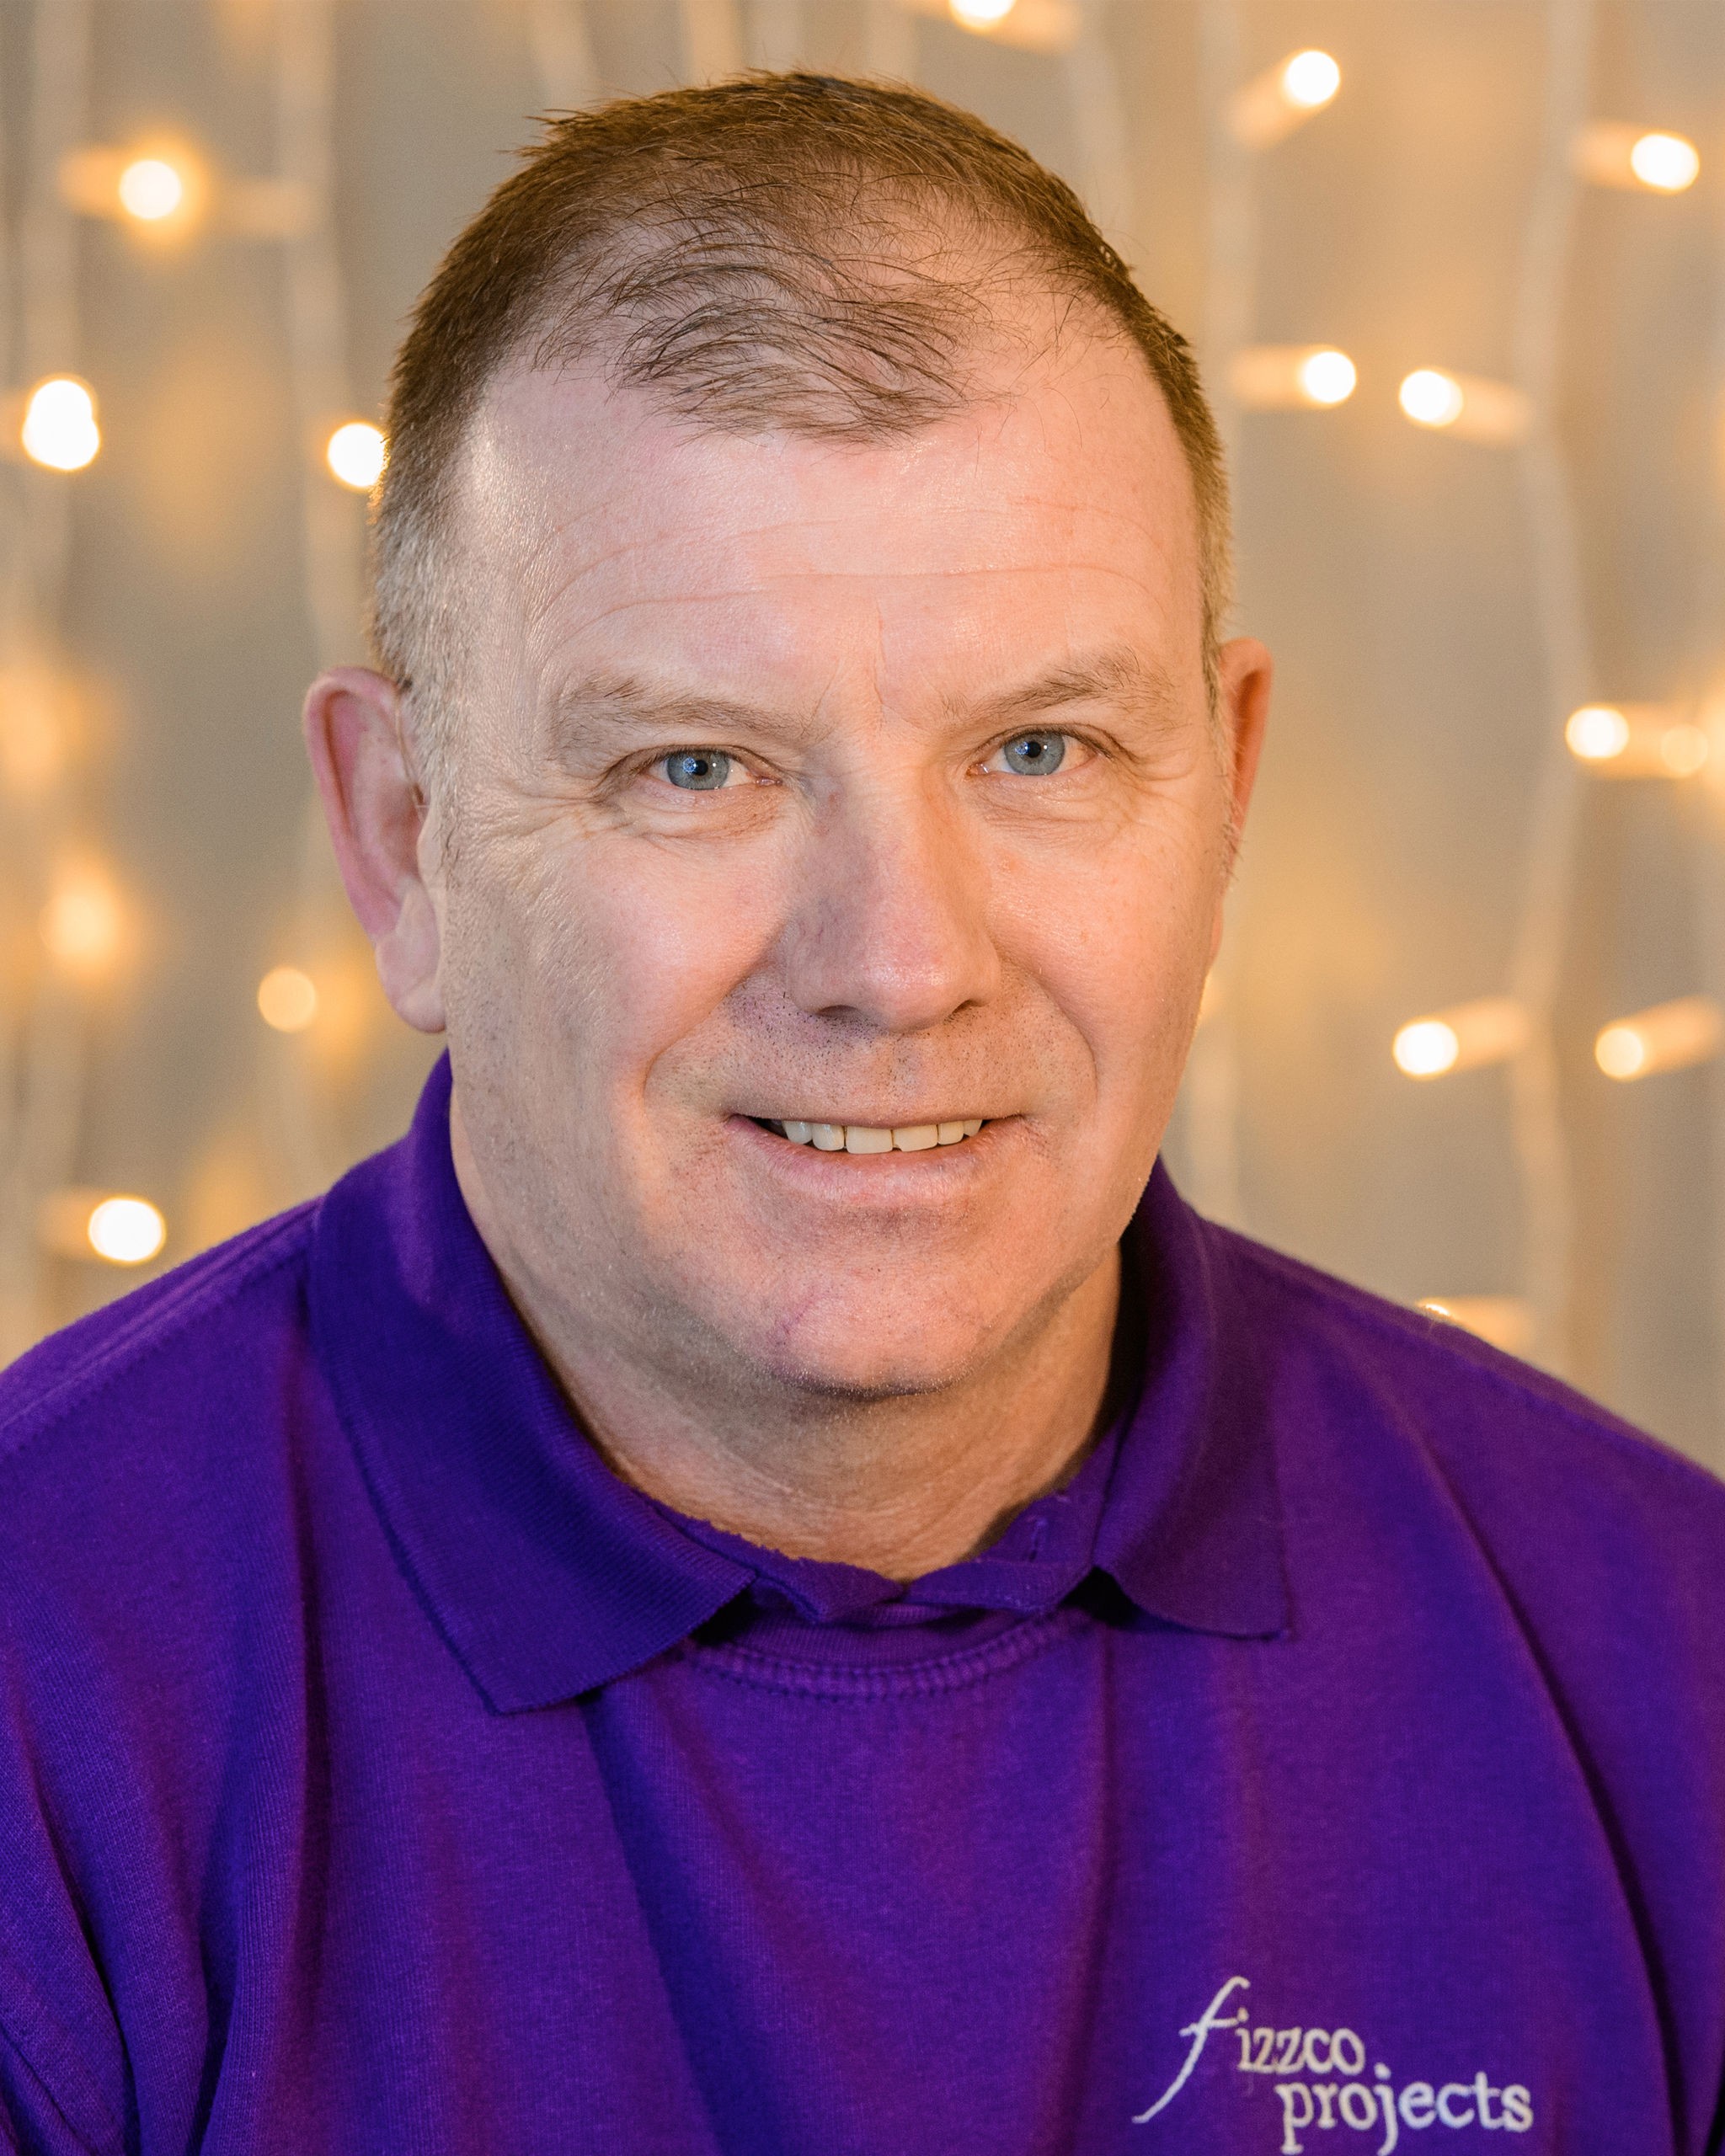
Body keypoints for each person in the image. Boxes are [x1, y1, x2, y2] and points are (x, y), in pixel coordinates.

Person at [2, 72, 1722, 2156]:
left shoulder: (1665, 1660)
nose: (899, 962)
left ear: (1228, 787)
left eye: (1042, 748)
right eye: (696, 767)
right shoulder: (44, 1695)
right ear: (406, 841)